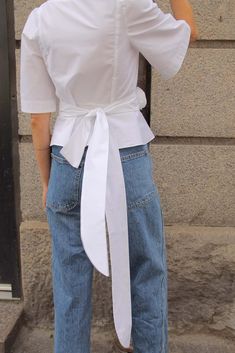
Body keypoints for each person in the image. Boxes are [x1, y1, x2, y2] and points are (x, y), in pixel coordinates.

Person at [20, 0, 198, 352]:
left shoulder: (40, 19)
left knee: (70, 282)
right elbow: (186, 33)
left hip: (67, 156)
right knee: (146, 268)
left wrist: (46, 182)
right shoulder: (126, 4)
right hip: (125, 150)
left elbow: (39, 118)